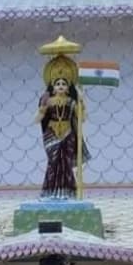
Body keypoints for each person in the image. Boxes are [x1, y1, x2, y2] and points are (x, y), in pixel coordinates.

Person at [34, 57, 89, 199]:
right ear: (52, 85)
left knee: (66, 163)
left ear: (68, 86)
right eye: (57, 83)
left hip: (67, 133)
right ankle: (50, 192)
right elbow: (37, 120)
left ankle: (68, 193)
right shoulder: (47, 101)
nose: (60, 86)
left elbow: (81, 118)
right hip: (51, 134)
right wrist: (41, 110)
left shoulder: (71, 102)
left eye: (63, 83)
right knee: (53, 163)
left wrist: (81, 103)